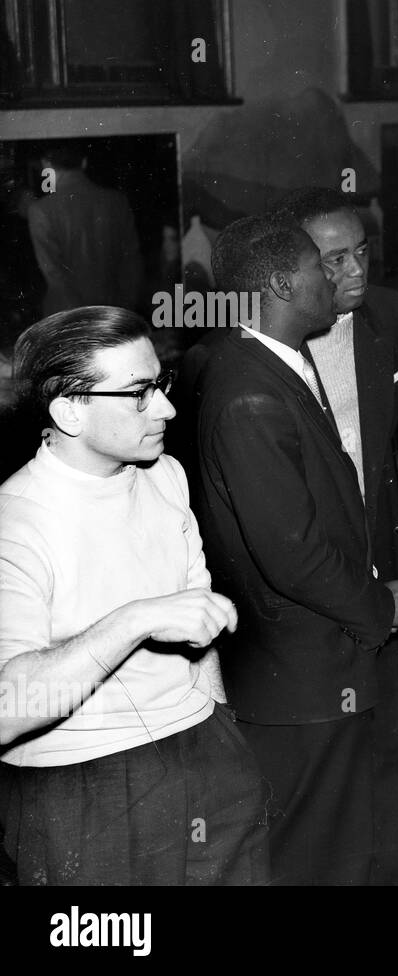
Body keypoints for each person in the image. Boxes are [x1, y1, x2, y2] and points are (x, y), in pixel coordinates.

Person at [0, 305, 265, 885]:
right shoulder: (15, 521)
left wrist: (216, 722)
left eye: (161, 384)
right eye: (139, 393)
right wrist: (137, 619)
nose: (167, 408)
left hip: (202, 747)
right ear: (71, 409)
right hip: (81, 783)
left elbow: (198, 617)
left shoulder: (164, 474)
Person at [193, 216, 398, 885]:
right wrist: (379, 606)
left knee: (337, 851)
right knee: (315, 862)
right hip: (302, 680)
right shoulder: (250, 393)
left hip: (315, 671)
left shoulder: (270, 368)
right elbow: (293, 555)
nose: (337, 278)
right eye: (320, 266)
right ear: (279, 282)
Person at [274, 186, 398, 885]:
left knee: (391, 740)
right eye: (334, 261)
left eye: (362, 252)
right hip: (307, 579)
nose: (355, 272)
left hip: (382, 566)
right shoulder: (268, 341)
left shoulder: (388, 315)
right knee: (323, 754)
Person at [26, 142, 142, 316]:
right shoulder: (117, 201)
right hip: (114, 313)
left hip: (66, 319)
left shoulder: (41, 210)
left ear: (46, 165)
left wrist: (82, 320)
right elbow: (132, 263)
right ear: (84, 163)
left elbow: (54, 275)